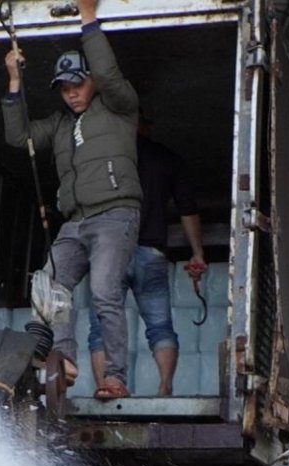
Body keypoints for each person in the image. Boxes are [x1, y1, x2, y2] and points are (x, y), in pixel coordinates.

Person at [2, 0, 142, 400]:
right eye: (64, 88)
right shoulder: (61, 125)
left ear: (92, 82)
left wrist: (88, 21)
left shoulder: (119, 107)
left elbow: (110, 73)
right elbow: (18, 138)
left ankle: (115, 378)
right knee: (48, 284)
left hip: (116, 215)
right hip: (75, 221)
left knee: (104, 292)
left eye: (78, 84)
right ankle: (64, 358)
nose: (72, 94)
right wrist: (14, 81)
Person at [87, 121, 206, 396]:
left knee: (100, 326)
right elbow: (187, 209)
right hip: (151, 254)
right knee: (160, 325)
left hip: (110, 253)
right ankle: (164, 387)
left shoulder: (104, 155)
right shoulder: (167, 158)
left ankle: (107, 387)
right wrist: (197, 251)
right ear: (148, 128)